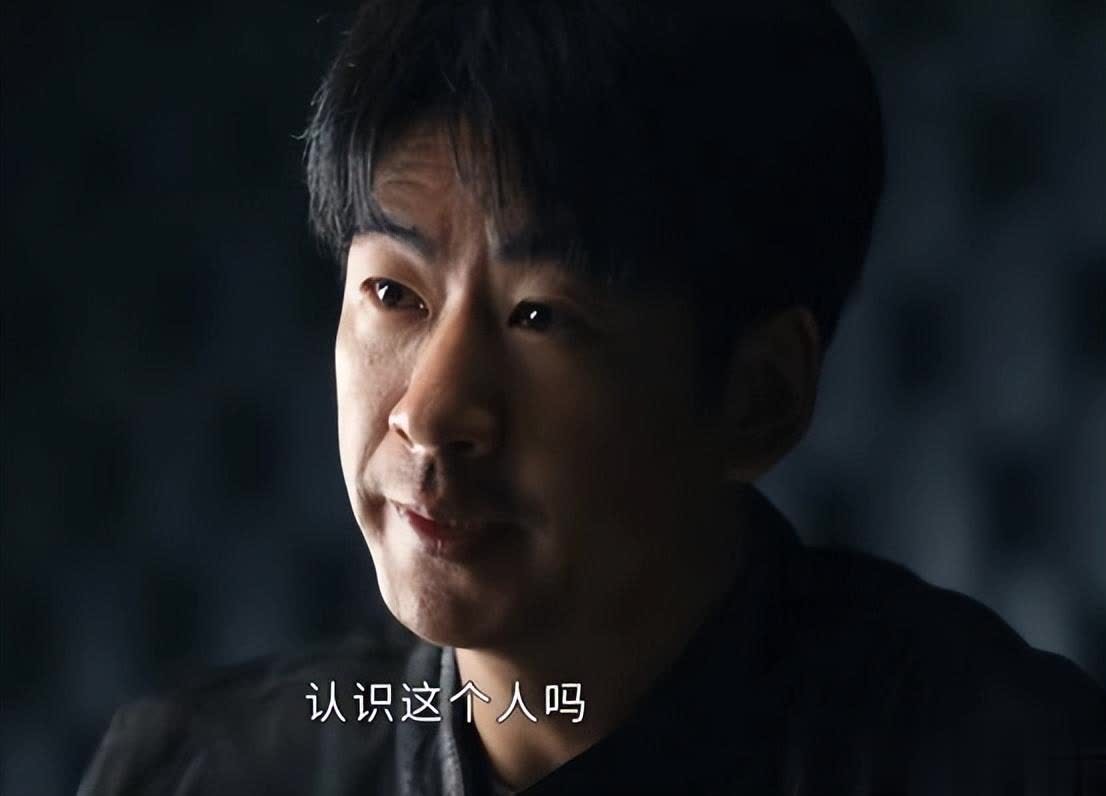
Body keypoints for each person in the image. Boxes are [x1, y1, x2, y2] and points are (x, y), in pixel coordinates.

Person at [78, 1, 1105, 794]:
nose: (428, 415)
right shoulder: (199, 769)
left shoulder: (1007, 765)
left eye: (541, 316)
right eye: (394, 293)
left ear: (758, 397)